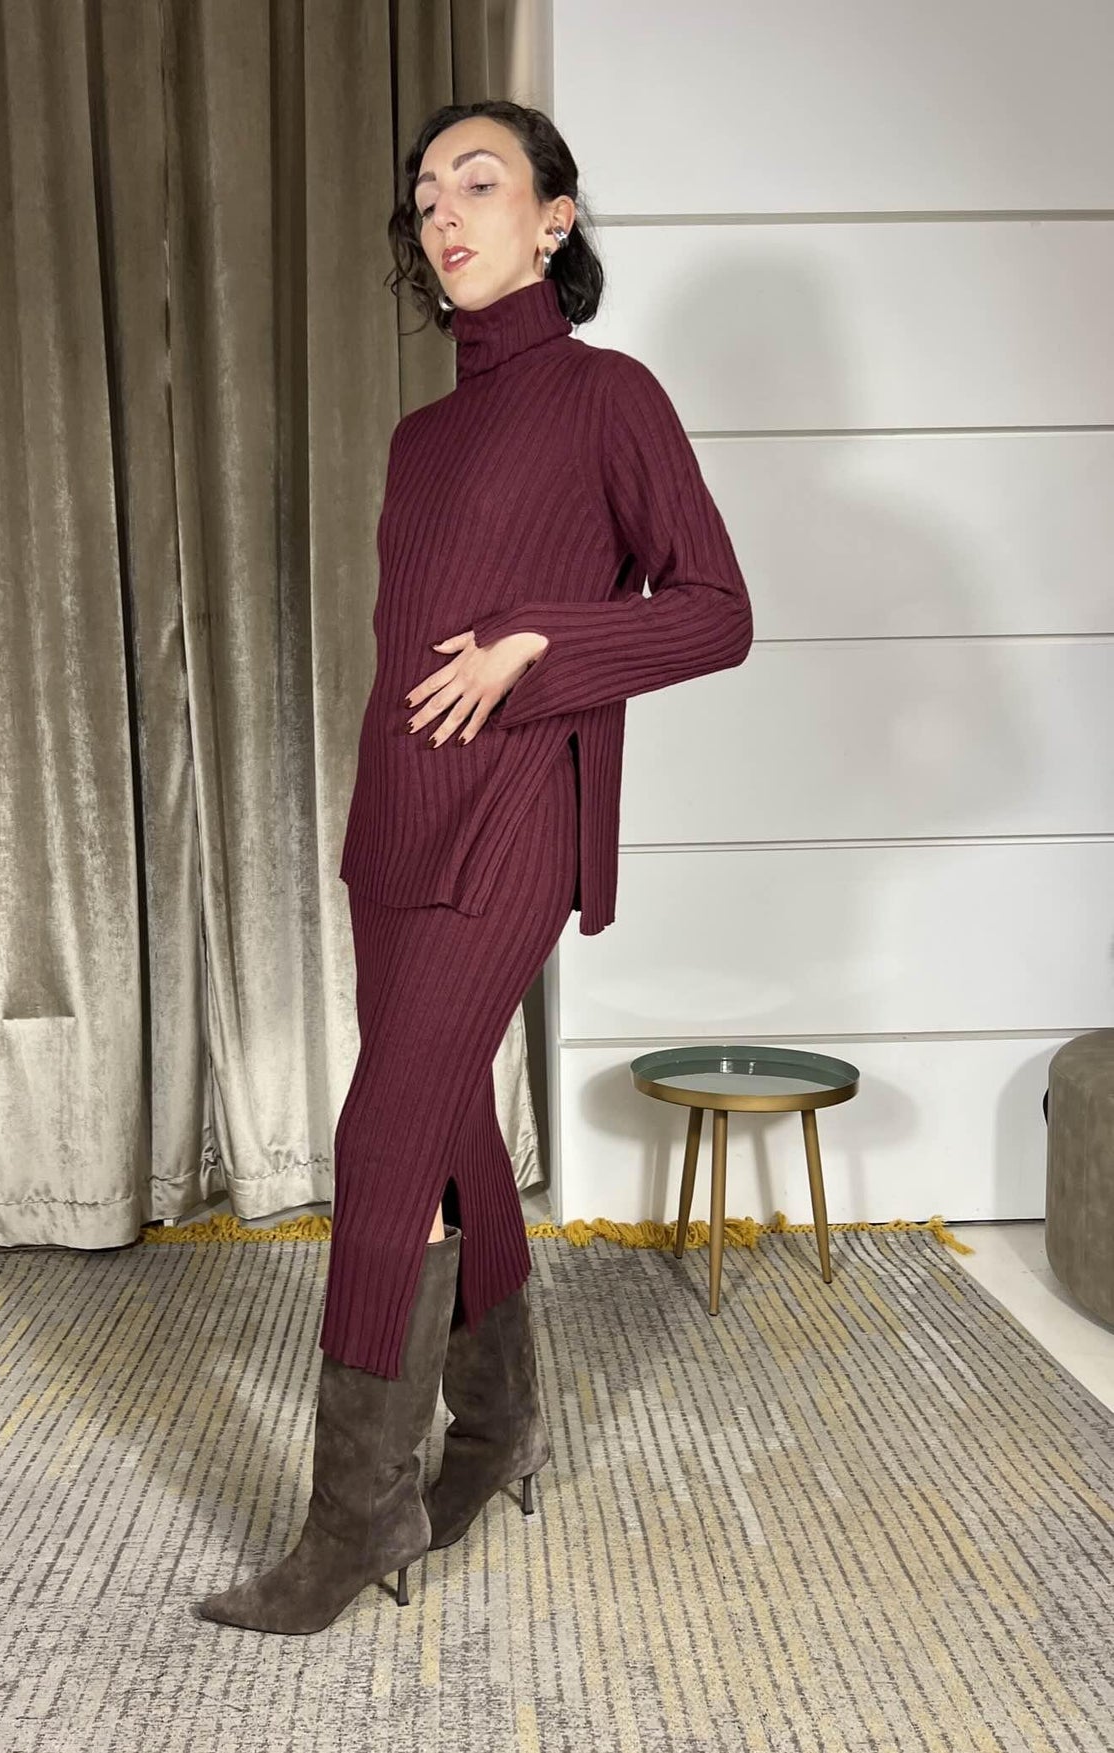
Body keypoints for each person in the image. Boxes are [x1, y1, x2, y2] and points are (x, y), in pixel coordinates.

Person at [197, 100, 752, 1634]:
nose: (443, 213)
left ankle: (352, 1520)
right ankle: (497, 1430)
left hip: (514, 817)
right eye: (426, 192)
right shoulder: (421, 435)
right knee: (445, 1136)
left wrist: (538, 645)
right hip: (395, 823)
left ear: (552, 219)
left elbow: (715, 610)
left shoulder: (608, 396)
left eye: (480, 182)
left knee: (381, 1141)